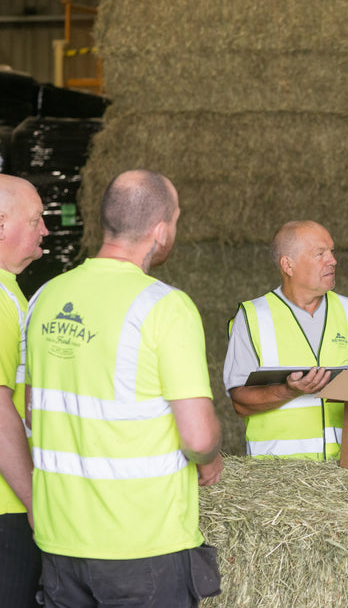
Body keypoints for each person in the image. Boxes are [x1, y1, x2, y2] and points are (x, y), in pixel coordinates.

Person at [26, 169, 223, 606]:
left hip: (61, 542)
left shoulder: (44, 298)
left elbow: (31, 412)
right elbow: (198, 435)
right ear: (160, 230)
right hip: (142, 547)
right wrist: (210, 459)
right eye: (176, 219)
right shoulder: (166, 307)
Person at [223, 220, 348, 460]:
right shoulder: (253, 317)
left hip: (346, 478)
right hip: (277, 479)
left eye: (332, 251)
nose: (333, 260)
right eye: (320, 253)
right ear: (288, 265)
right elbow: (240, 403)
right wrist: (287, 391)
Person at [0, 175, 48, 606]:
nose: (45, 229)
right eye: (35, 219)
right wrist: (34, 501)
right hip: (6, 507)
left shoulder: (10, 293)